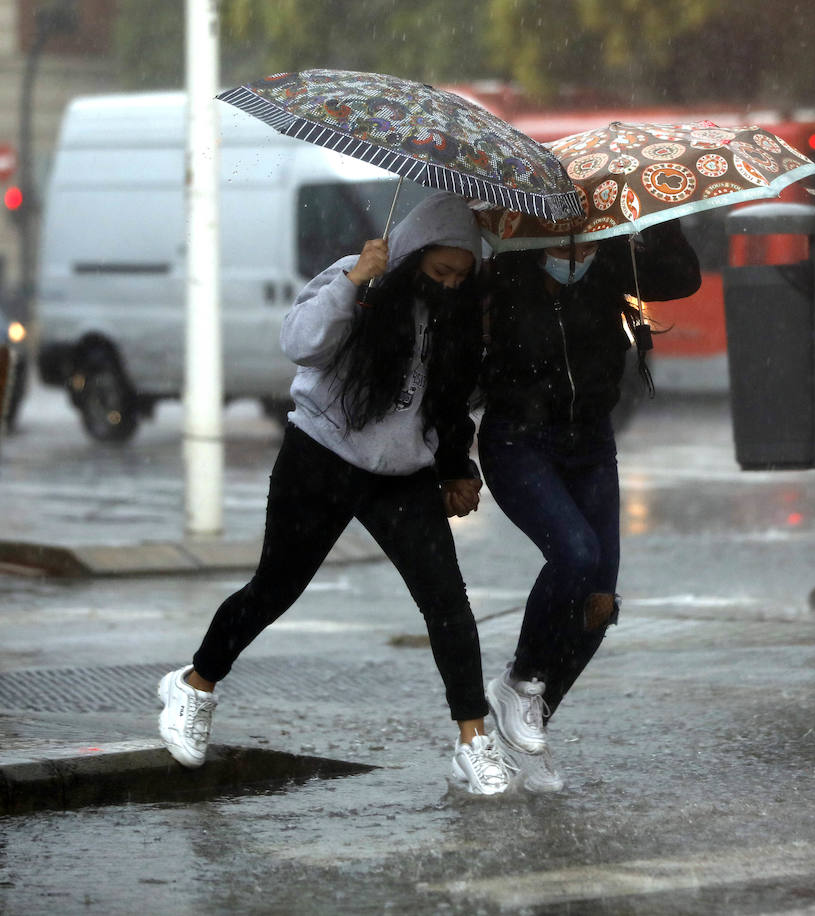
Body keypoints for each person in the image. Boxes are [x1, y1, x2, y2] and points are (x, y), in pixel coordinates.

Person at [157, 192, 513, 795]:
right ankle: (194, 684)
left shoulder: (459, 317)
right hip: (320, 457)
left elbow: (450, 404)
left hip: (400, 476)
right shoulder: (363, 279)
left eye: (461, 275)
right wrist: (353, 282)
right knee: (275, 588)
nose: (450, 286)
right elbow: (300, 343)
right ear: (412, 256)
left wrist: (457, 467)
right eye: (439, 272)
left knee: (447, 602)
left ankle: (473, 740)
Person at [478, 222, 700, 791]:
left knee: (598, 602)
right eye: (557, 240)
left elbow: (682, 276)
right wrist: (452, 461)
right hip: (518, 440)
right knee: (576, 555)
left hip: (591, 441)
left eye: (583, 239)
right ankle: (520, 682)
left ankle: (526, 731)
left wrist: (655, 214)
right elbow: (457, 369)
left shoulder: (612, 267)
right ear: (530, 234)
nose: (570, 253)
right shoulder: (502, 277)